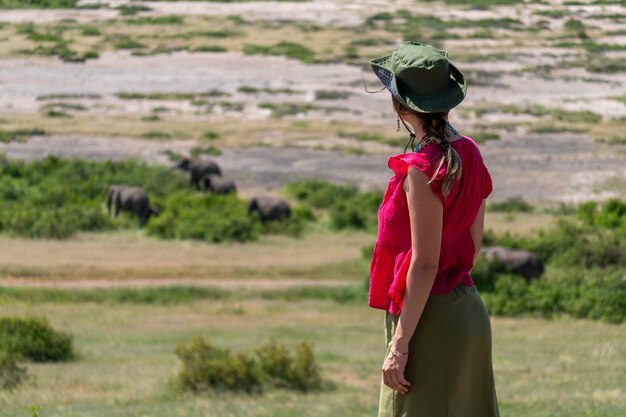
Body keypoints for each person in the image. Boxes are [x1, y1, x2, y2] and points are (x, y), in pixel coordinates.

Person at [365, 41, 500, 416]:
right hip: (467, 314)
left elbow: (425, 264)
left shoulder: (423, 168)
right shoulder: (469, 152)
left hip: (427, 321)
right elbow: (471, 250)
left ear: (402, 105)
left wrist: (401, 344)